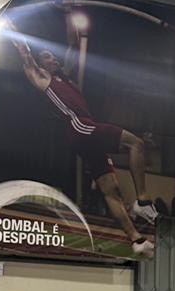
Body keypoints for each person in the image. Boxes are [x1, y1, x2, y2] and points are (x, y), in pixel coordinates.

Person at [11, 32, 160, 257]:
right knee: (136, 144)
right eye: (48, 56)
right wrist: (14, 33)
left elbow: (72, 52)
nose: (54, 59)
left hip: (83, 134)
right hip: (80, 126)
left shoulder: (65, 79)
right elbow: (26, 56)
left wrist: (74, 34)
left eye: (53, 56)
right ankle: (143, 200)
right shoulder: (42, 78)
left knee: (111, 189)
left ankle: (136, 240)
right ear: (41, 64)